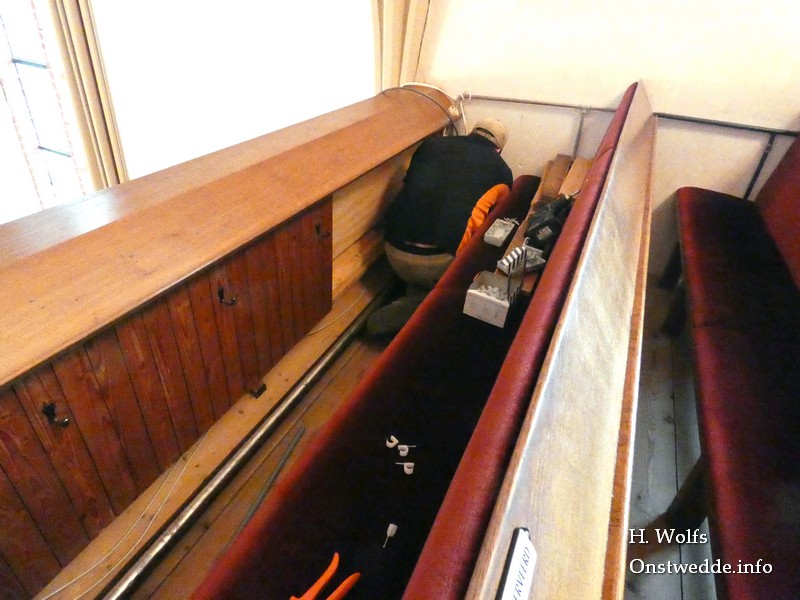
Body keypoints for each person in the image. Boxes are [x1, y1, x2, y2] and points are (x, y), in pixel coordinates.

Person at [366, 117, 513, 336]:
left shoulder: (431, 145)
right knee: (488, 248)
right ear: (499, 149)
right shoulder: (502, 171)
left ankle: (416, 292)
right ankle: (422, 306)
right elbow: (496, 223)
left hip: (392, 250)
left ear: (472, 132)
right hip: (438, 263)